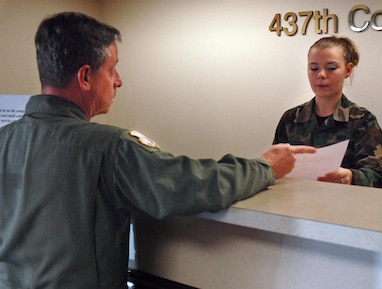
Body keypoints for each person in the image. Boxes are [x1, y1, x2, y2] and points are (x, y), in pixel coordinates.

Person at [0, 12, 315, 289]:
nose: (119, 81)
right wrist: (265, 167)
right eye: (112, 70)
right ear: (85, 77)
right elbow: (194, 184)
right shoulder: (110, 147)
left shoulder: (4, 139)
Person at [273, 36, 382, 188]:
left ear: (347, 70)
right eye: (314, 68)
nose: (321, 75)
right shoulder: (291, 119)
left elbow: (380, 175)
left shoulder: (362, 120)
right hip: (296, 206)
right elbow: (274, 166)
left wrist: (350, 177)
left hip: (345, 207)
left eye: (331, 68)